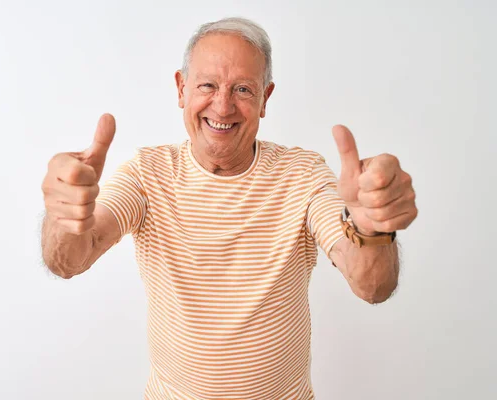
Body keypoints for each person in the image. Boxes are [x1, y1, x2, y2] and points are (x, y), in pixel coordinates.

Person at [40, 17, 417, 400]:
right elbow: (70, 260)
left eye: (242, 89)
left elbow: (373, 286)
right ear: (181, 88)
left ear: (265, 99)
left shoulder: (302, 175)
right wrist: (64, 217)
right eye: (207, 85)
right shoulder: (146, 174)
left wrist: (371, 230)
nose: (222, 106)